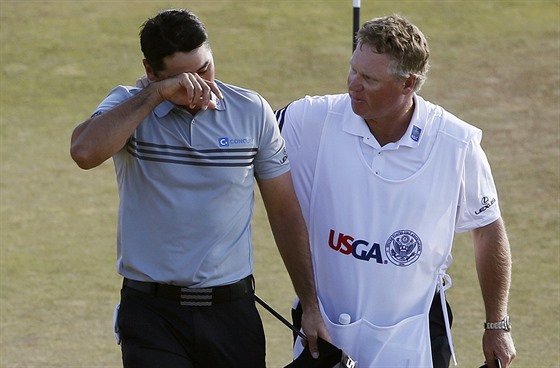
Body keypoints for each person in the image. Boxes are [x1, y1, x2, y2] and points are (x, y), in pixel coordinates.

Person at [70, 9, 328, 368]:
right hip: (152, 314)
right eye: (180, 78)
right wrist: (155, 96)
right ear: (151, 71)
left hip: (231, 312)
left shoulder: (252, 111)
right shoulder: (128, 105)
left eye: (204, 68)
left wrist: (311, 305)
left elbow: (284, 211)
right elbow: (84, 152)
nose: (198, 85)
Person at [276, 14, 516, 368]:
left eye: (369, 78)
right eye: (353, 69)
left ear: (409, 83)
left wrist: (497, 324)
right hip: (325, 331)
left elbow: (487, 228)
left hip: (414, 337)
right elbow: (242, 139)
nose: (353, 85)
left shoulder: (457, 143)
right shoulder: (307, 119)